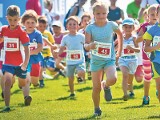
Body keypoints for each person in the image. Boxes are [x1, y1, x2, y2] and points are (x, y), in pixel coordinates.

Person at [84, 2, 123, 117]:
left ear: (107, 13)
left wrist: (119, 52)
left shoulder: (112, 25)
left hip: (109, 59)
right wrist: (90, 46)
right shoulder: (90, 27)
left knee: (113, 79)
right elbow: (86, 45)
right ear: (93, 14)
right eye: (98, 13)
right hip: (96, 61)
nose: (101, 16)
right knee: (96, 88)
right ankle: (97, 108)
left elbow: (120, 35)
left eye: (103, 13)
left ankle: (106, 85)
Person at [0, 5, 30, 112]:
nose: (12, 22)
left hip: (20, 63)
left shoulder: (22, 32)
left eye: (15, 20)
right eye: (10, 19)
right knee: (7, 81)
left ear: (19, 19)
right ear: (6, 17)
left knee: (22, 83)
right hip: (7, 63)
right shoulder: (3, 29)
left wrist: (25, 63)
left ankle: (25, 93)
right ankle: (7, 106)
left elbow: (27, 49)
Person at [53, 16, 86, 97]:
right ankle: (72, 92)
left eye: (74, 24)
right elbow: (61, 48)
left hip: (80, 60)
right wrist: (58, 52)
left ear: (78, 26)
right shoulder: (65, 38)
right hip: (70, 61)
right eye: (70, 24)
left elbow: (87, 45)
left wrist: (90, 48)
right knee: (70, 79)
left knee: (81, 72)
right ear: (67, 27)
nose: (72, 26)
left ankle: (79, 76)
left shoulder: (81, 36)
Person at [21, 9, 43, 105]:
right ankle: (26, 97)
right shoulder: (21, 33)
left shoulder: (37, 34)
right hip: (25, 60)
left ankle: (34, 83)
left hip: (35, 59)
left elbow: (40, 47)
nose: (30, 24)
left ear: (36, 23)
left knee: (34, 80)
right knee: (26, 79)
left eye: (33, 22)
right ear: (23, 23)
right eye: (28, 22)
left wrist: (30, 52)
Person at [118, 18, 140, 101]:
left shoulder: (134, 38)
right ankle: (125, 94)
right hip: (123, 59)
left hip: (132, 60)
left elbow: (138, 50)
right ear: (122, 28)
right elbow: (116, 47)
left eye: (130, 27)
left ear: (133, 28)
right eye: (126, 27)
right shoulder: (120, 38)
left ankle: (130, 90)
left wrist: (132, 48)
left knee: (130, 79)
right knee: (125, 74)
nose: (128, 29)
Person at [143, 4, 160, 103]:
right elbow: (146, 48)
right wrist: (156, 47)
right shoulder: (152, 30)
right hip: (157, 61)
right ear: (157, 15)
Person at [37, 16, 57, 87]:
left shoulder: (48, 34)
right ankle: (41, 82)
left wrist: (53, 51)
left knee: (51, 69)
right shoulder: (36, 34)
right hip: (39, 55)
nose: (42, 28)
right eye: (40, 26)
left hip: (48, 54)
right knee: (41, 69)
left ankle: (59, 71)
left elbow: (52, 43)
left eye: (44, 26)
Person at [78, 12, 92, 80]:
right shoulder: (80, 32)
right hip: (82, 50)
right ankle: (80, 76)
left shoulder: (92, 31)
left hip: (90, 50)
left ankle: (90, 72)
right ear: (82, 22)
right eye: (84, 20)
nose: (86, 22)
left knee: (90, 60)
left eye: (88, 20)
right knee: (81, 63)